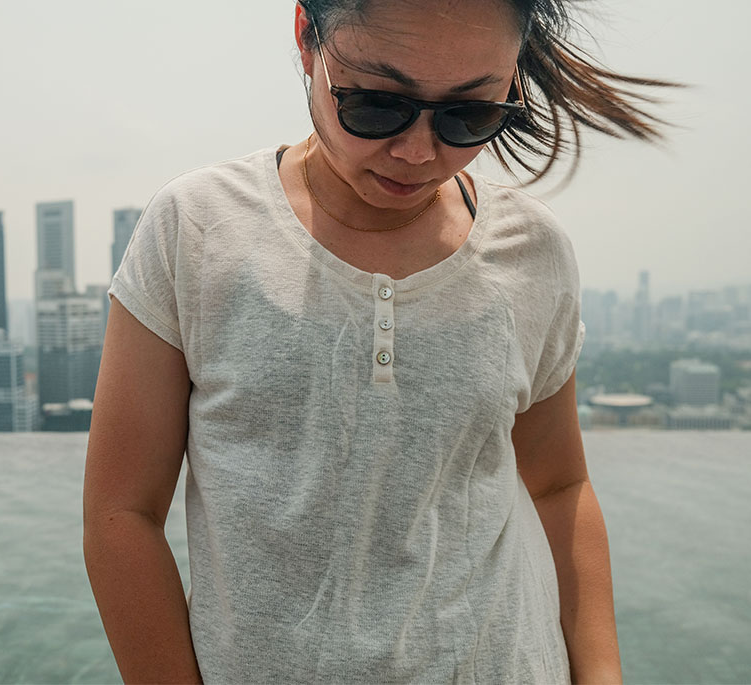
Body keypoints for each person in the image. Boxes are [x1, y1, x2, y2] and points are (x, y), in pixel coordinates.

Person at [83, 1, 678, 682]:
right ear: (308, 38)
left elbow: (559, 485)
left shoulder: (532, 253)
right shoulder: (198, 231)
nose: (419, 152)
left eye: (470, 115)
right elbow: (121, 513)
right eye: (374, 105)